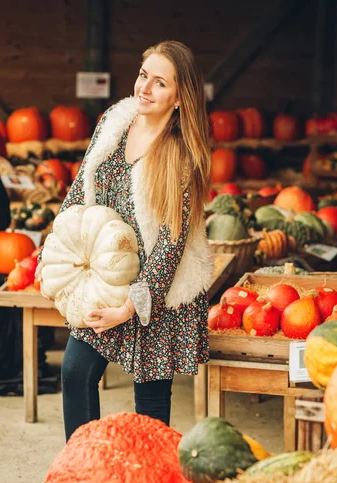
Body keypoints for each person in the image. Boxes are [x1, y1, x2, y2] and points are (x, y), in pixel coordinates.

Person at [36, 40, 213, 441]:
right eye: (142, 75)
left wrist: (133, 305)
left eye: (160, 83)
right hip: (104, 272)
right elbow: (80, 192)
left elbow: (171, 241)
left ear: (181, 96)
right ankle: (81, 472)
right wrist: (52, 258)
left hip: (155, 287)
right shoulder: (113, 123)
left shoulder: (181, 153)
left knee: (150, 400)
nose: (145, 88)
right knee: (76, 370)